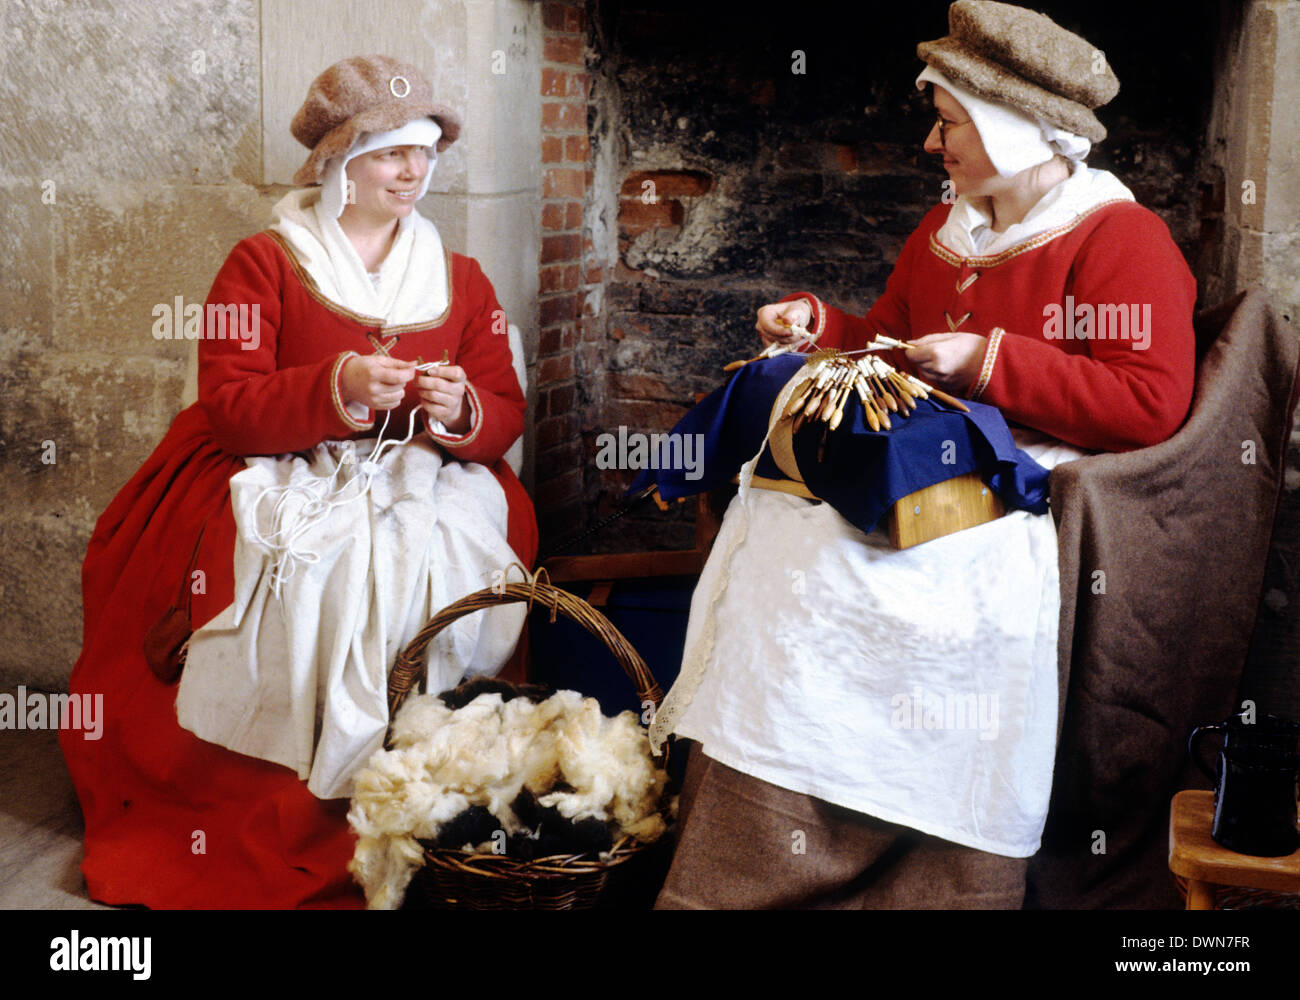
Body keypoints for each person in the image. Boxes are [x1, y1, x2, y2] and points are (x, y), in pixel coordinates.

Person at [649, 1, 1196, 908]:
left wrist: (988, 362)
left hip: (1026, 487)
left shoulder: (1118, 238)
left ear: (1014, 131)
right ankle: (757, 844)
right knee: (780, 523)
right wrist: (820, 325)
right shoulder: (948, 231)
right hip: (927, 459)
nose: (934, 146)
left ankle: (916, 871)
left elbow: (1149, 402)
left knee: (846, 566)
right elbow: (891, 342)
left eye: (950, 126)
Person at [60, 54, 536, 908]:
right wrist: (337, 389)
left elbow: (503, 409)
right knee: (308, 566)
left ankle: (423, 794)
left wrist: (460, 408)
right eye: (392, 153)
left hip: (421, 466)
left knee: (445, 550)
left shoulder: (460, 278)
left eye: (425, 153)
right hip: (274, 460)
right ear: (337, 162)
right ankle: (283, 804)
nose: (414, 171)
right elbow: (231, 406)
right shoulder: (265, 262)